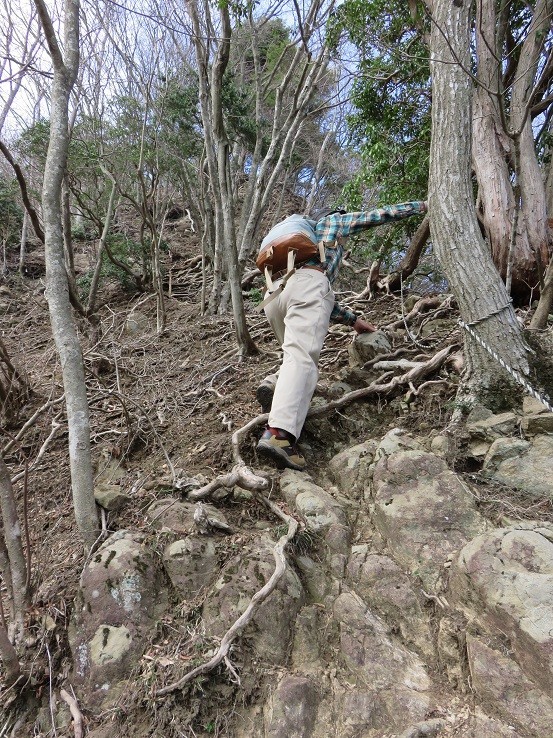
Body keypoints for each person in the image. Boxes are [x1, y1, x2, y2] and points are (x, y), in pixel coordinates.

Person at [256, 201, 428, 471]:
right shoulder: (331, 222)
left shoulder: (301, 247)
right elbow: (376, 215)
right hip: (305, 286)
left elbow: (319, 299)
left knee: (293, 354)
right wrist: (421, 206)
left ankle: (275, 384)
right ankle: (278, 436)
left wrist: (354, 321)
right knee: (301, 359)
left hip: (273, 295)